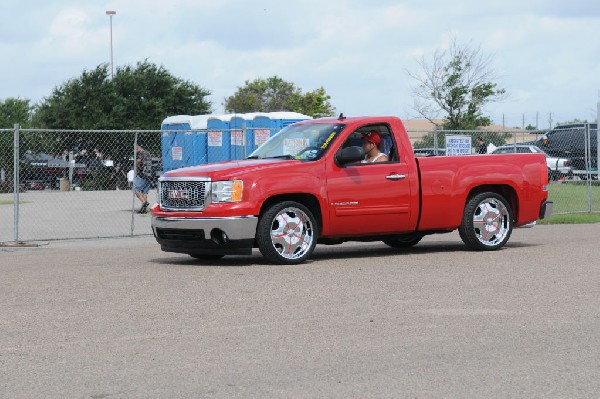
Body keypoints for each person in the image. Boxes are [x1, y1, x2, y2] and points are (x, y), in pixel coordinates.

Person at [134, 144, 153, 214]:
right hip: (149, 175)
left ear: (137, 148)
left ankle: (145, 202)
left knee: (135, 189)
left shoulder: (140, 153)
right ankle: (144, 209)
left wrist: (135, 163)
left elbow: (139, 161)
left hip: (142, 174)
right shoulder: (148, 153)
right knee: (145, 191)